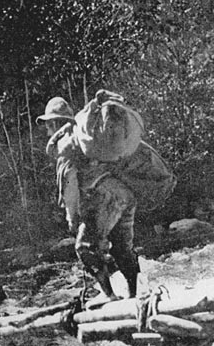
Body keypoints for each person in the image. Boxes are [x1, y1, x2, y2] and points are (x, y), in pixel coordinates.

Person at [36, 96, 141, 304]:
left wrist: (72, 218)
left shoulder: (65, 146)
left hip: (104, 199)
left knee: (84, 247)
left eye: (48, 125)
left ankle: (109, 296)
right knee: (122, 247)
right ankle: (133, 296)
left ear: (55, 122)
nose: (47, 131)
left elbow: (70, 184)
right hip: (125, 195)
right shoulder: (86, 136)